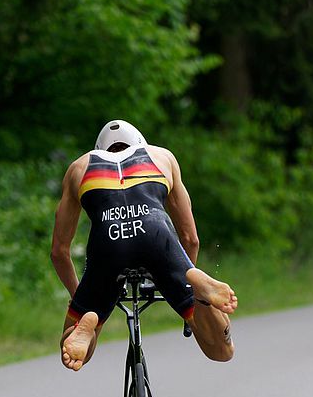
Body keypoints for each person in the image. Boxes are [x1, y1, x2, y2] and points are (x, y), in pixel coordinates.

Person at [50, 119, 237, 373]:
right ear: (140, 142)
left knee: (73, 353)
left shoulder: (79, 166)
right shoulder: (161, 156)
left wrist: (79, 296)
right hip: (157, 235)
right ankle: (201, 293)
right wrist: (185, 279)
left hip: (108, 242)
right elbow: (189, 236)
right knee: (221, 350)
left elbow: (59, 251)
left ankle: (85, 329)